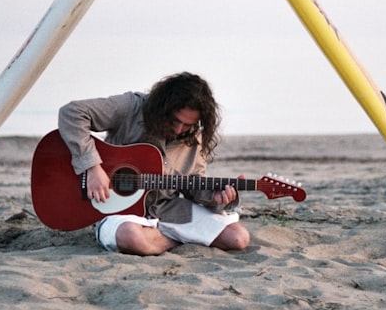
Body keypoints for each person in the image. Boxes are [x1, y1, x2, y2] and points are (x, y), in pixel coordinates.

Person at [58, 72, 251, 256]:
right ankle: (180, 238)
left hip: (167, 208)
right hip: (118, 209)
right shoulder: (131, 107)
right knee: (132, 237)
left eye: (187, 125)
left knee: (237, 238)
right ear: (163, 106)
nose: (178, 129)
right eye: (175, 120)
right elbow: (72, 113)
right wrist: (92, 168)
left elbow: (194, 184)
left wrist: (215, 198)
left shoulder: (196, 139)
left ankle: (159, 239)